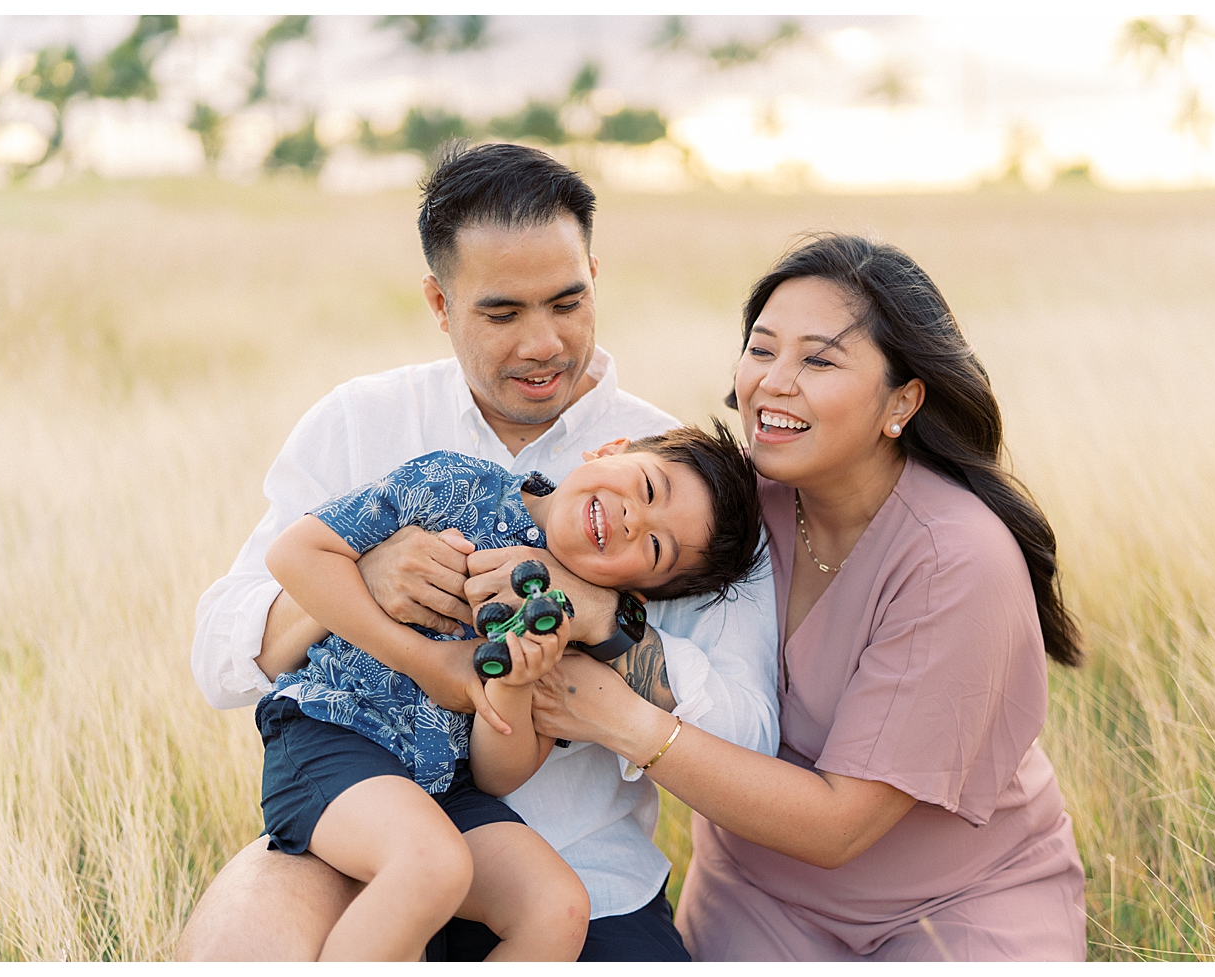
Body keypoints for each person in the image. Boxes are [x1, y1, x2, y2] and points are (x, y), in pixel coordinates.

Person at [178, 142, 779, 962]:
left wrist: (609, 621)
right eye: (503, 313)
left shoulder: (684, 490)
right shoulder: (366, 424)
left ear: (595, 274)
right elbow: (220, 657)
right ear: (439, 299)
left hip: (584, 879)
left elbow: (751, 736)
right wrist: (363, 582)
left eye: (568, 302)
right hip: (360, 848)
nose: (542, 343)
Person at [528, 234, 1089, 961]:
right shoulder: (727, 511)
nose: (773, 382)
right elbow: (576, 526)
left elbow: (838, 828)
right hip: (758, 896)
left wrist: (626, 722)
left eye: (819, 359)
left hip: (956, 901)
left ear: (903, 401)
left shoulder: (958, 559)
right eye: (762, 350)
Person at [255, 427, 762, 960]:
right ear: (613, 449)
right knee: (429, 864)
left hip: (444, 786)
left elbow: (498, 775)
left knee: (557, 907)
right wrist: (423, 661)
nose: (635, 519)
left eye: (656, 547)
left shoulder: (566, 620)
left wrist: (514, 687)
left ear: (641, 589)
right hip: (336, 730)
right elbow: (296, 553)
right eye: (648, 487)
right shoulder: (456, 483)